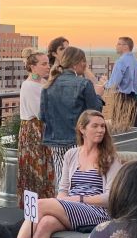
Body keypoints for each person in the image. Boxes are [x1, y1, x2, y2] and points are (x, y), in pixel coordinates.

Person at [15, 110, 122, 238]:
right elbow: (63, 190)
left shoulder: (111, 158)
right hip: (72, 207)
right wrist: (62, 201)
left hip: (98, 211)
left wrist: (79, 199)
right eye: (95, 126)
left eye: (102, 126)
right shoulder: (71, 154)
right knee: (46, 223)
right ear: (82, 129)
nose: (100, 130)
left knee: (38, 205)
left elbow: (111, 197)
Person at [41, 46, 104, 178]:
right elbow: (95, 112)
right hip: (78, 140)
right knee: (79, 179)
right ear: (75, 64)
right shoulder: (84, 84)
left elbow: (42, 116)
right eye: (83, 61)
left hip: (55, 141)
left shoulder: (48, 85)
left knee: (62, 179)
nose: (85, 65)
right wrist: (98, 96)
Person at [17, 49, 55, 200]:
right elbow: (40, 113)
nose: (48, 67)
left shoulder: (41, 82)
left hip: (40, 128)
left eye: (48, 63)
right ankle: (38, 202)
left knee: (41, 166)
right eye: (44, 64)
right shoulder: (30, 85)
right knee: (36, 166)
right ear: (33, 67)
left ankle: (43, 201)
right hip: (34, 129)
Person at [103, 36, 137, 133]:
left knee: (118, 128)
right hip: (134, 98)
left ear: (125, 46)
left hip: (121, 98)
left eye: (119, 44)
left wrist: (104, 83)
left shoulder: (121, 61)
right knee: (130, 127)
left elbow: (114, 84)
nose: (116, 46)